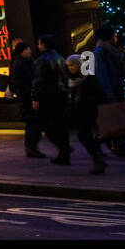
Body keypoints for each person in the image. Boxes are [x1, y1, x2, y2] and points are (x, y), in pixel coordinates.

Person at [92, 26, 125, 158]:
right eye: (114, 35)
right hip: (111, 92)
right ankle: (99, 145)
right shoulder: (100, 52)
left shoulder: (111, 51)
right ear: (108, 37)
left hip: (117, 89)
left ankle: (118, 146)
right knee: (112, 120)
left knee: (117, 120)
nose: (116, 38)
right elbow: (101, 74)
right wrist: (109, 93)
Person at [32, 34, 71, 163]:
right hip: (61, 94)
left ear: (43, 45)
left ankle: (63, 148)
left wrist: (35, 97)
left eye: (39, 43)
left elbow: (39, 80)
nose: (38, 46)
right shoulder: (60, 57)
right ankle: (64, 151)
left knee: (46, 124)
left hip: (48, 96)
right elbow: (65, 77)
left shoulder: (42, 60)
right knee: (61, 124)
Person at [66, 54, 107, 174]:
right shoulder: (72, 79)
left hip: (89, 110)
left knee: (84, 136)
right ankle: (98, 159)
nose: (70, 68)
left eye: (72, 65)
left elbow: (99, 95)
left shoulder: (89, 78)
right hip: (79, 111)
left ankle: (98, 160)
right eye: (68, 65)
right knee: (86, 136)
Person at [10, 40, 42, 157]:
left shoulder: (30, 61)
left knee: (34, 123)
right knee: (32, 123)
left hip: (30, 96)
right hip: (26, 98)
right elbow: (18, 82)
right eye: (26, 49)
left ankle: (31, 147)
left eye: (29, 49)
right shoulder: (19, 64)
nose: (29, 51)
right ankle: (30, 147)